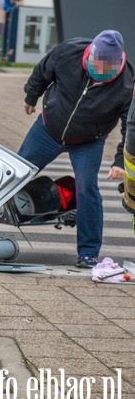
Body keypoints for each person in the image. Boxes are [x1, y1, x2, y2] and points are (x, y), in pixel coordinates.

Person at [19, 29, 133, 269]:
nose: (100, 71)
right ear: (90, 54)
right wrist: (32, 95)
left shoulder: (126, 83)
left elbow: (129, 125)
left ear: (118, 62)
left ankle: (88, 253)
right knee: (15, 173)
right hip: (48, 130)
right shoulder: (69, 51)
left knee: (87, 188)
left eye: (107, 68)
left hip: (89, 141)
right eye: (96, 64)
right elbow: (43, 70)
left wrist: (119, 161)